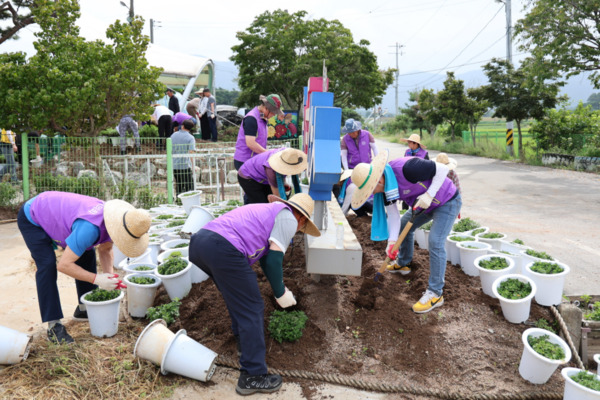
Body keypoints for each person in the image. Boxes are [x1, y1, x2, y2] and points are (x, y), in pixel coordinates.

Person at [188, 193, 321, 396]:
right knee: (252, 307)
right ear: (301, 218)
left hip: (202, 243)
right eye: (302, 228)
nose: (299, 230)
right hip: (223, 247)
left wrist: (280, 289)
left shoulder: (271, 214)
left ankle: (244, 344)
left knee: (239, 300)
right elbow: (276, 260)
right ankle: (253, 376)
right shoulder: (288, 217)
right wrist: (280, 292)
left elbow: (267, 261)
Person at [16, 191, 151, 344]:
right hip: (33, 216)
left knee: (87, 251)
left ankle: (84, 309)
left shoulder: (114, 221)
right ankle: (54, 326)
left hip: (58, 213)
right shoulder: (90, 228)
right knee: (47, 265)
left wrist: (110, 279)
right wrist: (97, 279)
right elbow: (64, 265)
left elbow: (105, 249)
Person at [350, 150, 461, 314]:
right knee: (403, 225)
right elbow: (394, 215)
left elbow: (443, 169)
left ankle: (435, 294)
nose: (372, 194)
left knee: (435, 241)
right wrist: (392, 243)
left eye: (371, 189)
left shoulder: (408, 168)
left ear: (378, 180)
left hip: (446, 201)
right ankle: (404, 263)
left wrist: (429, 195)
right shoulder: (385, 189)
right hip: (424, 204)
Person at [237, 147, 306, 204]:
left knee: (267, 200)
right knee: (261, 204)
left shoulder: (289, 155)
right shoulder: (271, 168)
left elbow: (281, 173)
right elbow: (277, 197)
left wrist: (284, 183)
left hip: (261, 176)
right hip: (247, 175)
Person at [233, 94, 284, 171]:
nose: (273, 115)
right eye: (273, 113)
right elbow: (251, 143)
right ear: (265, 108)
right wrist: (268, 154)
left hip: (256, 158)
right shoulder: (251, 119)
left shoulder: (262, 117)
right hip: (245, 161)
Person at [338, 118, 379, 216]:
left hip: (367, 168)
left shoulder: (367, 135)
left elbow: (375, 148)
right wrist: (347, 170)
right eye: (349, 132)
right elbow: (343, 156)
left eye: (352, 132)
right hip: (353, 169)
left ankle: (374, 211)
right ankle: (357, 212)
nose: (351, 134)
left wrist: (376, 163)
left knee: (369, 189)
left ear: (357, 129)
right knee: (352, 191)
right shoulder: (345, 139)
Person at [171, 119, 196, 196]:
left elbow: (170, 149)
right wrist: (193, 165)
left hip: (175, 165)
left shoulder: (173, 135)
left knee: (179, 185)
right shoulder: (190, 138)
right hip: (185, 165)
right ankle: (189, 202)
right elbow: (191, 152)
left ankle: (179, 202)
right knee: (189, 187)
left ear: (182, 126)